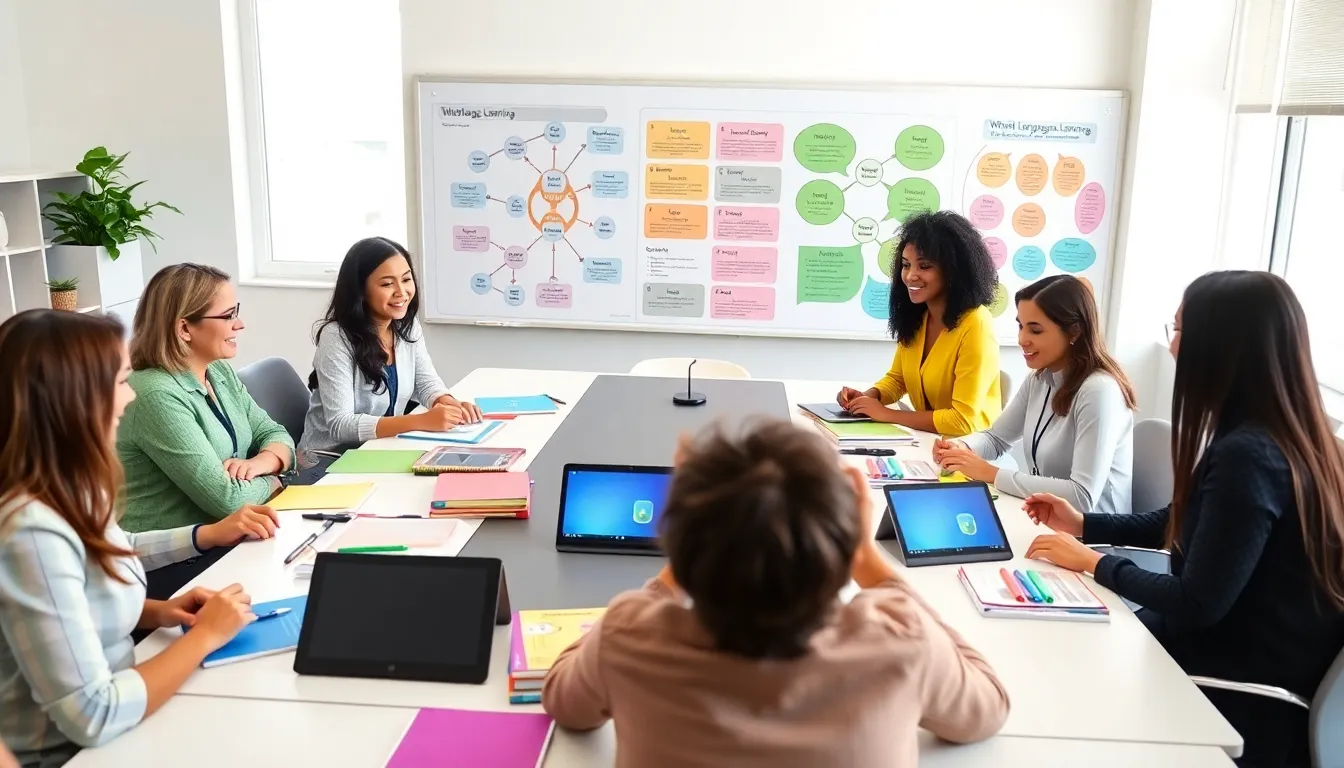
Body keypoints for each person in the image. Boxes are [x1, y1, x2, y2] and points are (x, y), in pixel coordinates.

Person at [543, 418, 1009, 767]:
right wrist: (869, 561)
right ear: (842, 544)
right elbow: (987, 707)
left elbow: (565, 703)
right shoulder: (901, 638)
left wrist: (678, 565)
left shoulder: (629, 634)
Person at [1021, 271, 1344, 767]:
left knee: (1057, 679)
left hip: (1241, 693)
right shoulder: (1288, 436)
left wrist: (1093, 563)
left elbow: (1197, 603)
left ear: (1221, 345)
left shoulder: (1249, 455)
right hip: (1232, 655)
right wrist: (1087, 525)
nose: (1170, 347)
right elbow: (1181, 518)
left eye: (1177, 330)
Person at [0, 310, 273, 767]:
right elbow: (94, 714)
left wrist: (160, 608)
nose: (129, 399)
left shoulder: (64, 487)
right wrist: (202, 638)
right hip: (74, 752)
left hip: (127, 724)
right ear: (75, 399)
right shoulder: (30, 531)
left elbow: (100, 559)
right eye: (122, 382)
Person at [116, 264, 294, 596]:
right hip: (169, 567)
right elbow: (226, 501)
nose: (239, 324)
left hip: (222, 543)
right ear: (184, 328)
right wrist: (275, 480)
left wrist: (262, 463)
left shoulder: (219, 373)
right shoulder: (155, 395)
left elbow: (277, 434)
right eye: (228, 316)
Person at [933, 275, 1136, 515]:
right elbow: (996, 438)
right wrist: (961, 447)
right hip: (1047, 520)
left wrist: (991, 473)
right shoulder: (1040, 379)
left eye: (1035, 330)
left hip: (1092, 540)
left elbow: (1082, 497)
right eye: (1021, 326)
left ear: (1074, 332)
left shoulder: (1099, 391)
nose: (1022, 340)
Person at [299, 237, 481, 455]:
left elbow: (425, 382)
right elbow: (341, 425)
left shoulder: (406, 326)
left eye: (406, 279)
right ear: (360, 291)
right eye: (387, 284)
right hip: (327, 460)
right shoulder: (336, 337)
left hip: (378, 450)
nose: (401, 292)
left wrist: (449, 404)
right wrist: (421, 421)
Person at [836, 211, 1001, 437]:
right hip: (929, 440)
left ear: (953, 270)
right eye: (906, 265)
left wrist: (887, 414)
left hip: (970, 448)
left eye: (924, 266)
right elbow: (898, 379)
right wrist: (869, 397)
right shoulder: (918, 315)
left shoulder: (976, 323)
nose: (911, 275)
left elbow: (962, 420)